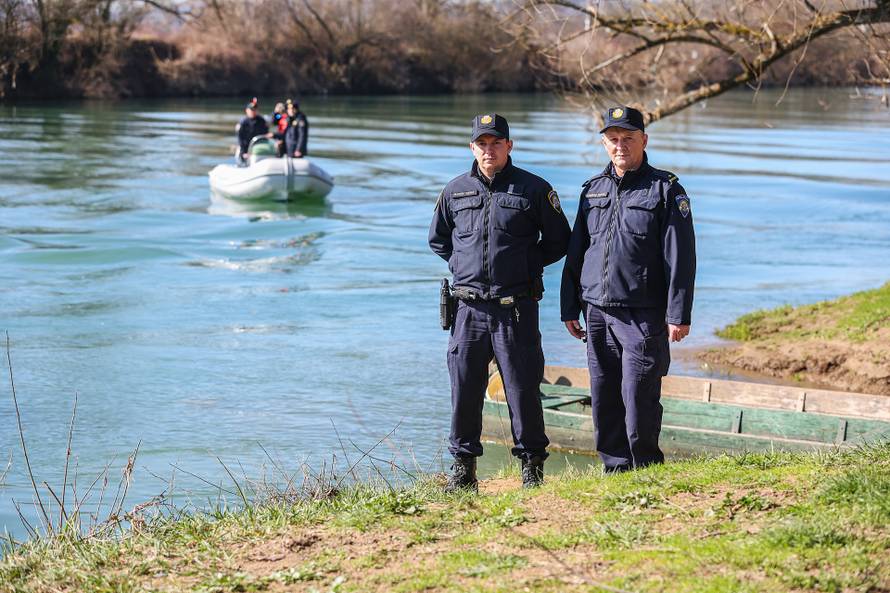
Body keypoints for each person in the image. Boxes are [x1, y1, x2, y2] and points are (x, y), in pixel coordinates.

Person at [429, 113, 571, 491]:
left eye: (496, 143)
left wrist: (524, 264)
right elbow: (439, 239)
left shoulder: (534, 189)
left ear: (509, 145)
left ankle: (532, 470)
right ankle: (463, 473)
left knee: (523, 391)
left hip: (516, 309)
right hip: (468, 309)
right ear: (472, 147)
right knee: (464, 391)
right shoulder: (455, 190)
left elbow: (559, 241)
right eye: (482, 144)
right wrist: (464, 267)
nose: (488, 150)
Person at [560, 106, 696, 473]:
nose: (620, 146)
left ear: (644, 140)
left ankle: (646, 468)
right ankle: (615, 469)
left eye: (628, 138)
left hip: (643, 315)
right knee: (604, 396)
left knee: (639, 397)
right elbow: (577, 252)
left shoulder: (666, 190)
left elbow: (681, 257)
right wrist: (569, 306)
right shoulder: (592, 190)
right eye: (613, 139)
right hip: (596, 311)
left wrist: (678, 314)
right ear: (605, 144)